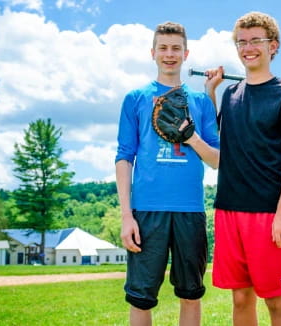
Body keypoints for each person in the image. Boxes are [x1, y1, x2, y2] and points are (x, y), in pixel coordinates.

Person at [205, 12, 281, 326]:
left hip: (268, 214)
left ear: (273, 46)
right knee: (240, 298)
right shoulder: (231, 94)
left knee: (276, 299)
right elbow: (218, 143)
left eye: (256, 41)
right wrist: (211, 91)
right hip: (229, 210)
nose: (248, 48)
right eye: (242, 42)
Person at [115, 22, 220, 326]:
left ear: (186, 53)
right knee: (141, 297)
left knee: (190, 294)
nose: (169, 54)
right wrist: (126, 216)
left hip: (190, 210)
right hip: (146, 211)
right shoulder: (135, 98)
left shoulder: (200, 101)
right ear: (153, 53)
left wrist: (191, 137)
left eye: (176, 48)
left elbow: (217, 160)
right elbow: (124, 158)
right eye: (163, 47)